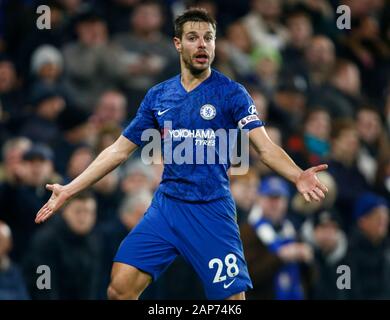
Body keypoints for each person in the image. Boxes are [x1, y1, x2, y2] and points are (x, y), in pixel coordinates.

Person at [34, 8, 328, 300]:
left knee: (232, 303)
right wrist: (70, 189)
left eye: (208, 38)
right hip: (167, 207)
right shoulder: (158, 96)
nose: (202, 44)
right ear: (177, 44)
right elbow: (118, 151)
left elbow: (265, 148)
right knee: (119, 290)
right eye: (193, 37)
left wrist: (297, 174)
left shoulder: (233, 94)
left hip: (212, 209)